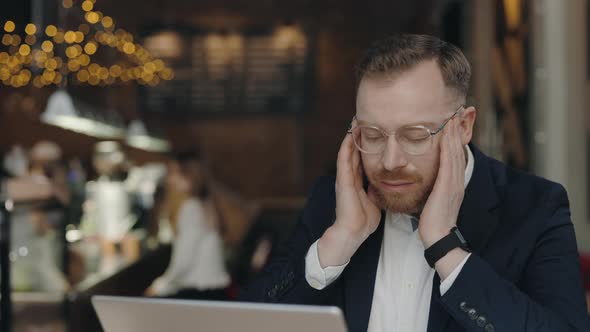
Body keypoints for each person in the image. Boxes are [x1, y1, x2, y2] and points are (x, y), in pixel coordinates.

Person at [239, 34, 590, 332]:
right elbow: (247, 324)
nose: (391, 162)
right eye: (373, 135)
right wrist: (339, 241)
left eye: (415, 135)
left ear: (464, 126)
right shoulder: (330, 202)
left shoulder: (536, 207)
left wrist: (446, 249)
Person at [146, 151, 230, 300]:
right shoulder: (207, 203)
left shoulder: (191, 208)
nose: (170, 179)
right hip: (216, 290)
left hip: (199, 292)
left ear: (190, 176)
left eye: (174, 173)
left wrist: (160, 285)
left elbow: (183, 261)